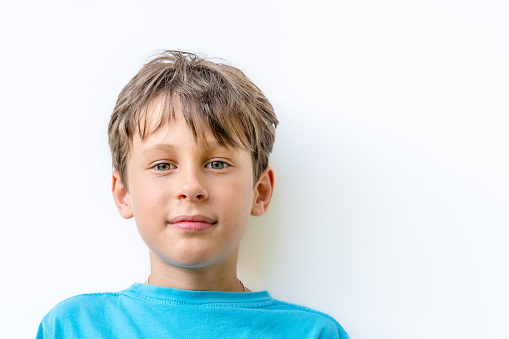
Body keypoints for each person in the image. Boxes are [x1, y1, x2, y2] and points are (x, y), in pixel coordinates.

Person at [36, 50, 349, 338]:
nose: (190, 188)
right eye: (162, 165)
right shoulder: (73, 327)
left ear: (260, 191)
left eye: (216, 163)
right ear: (123, 194)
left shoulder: (313, 334)